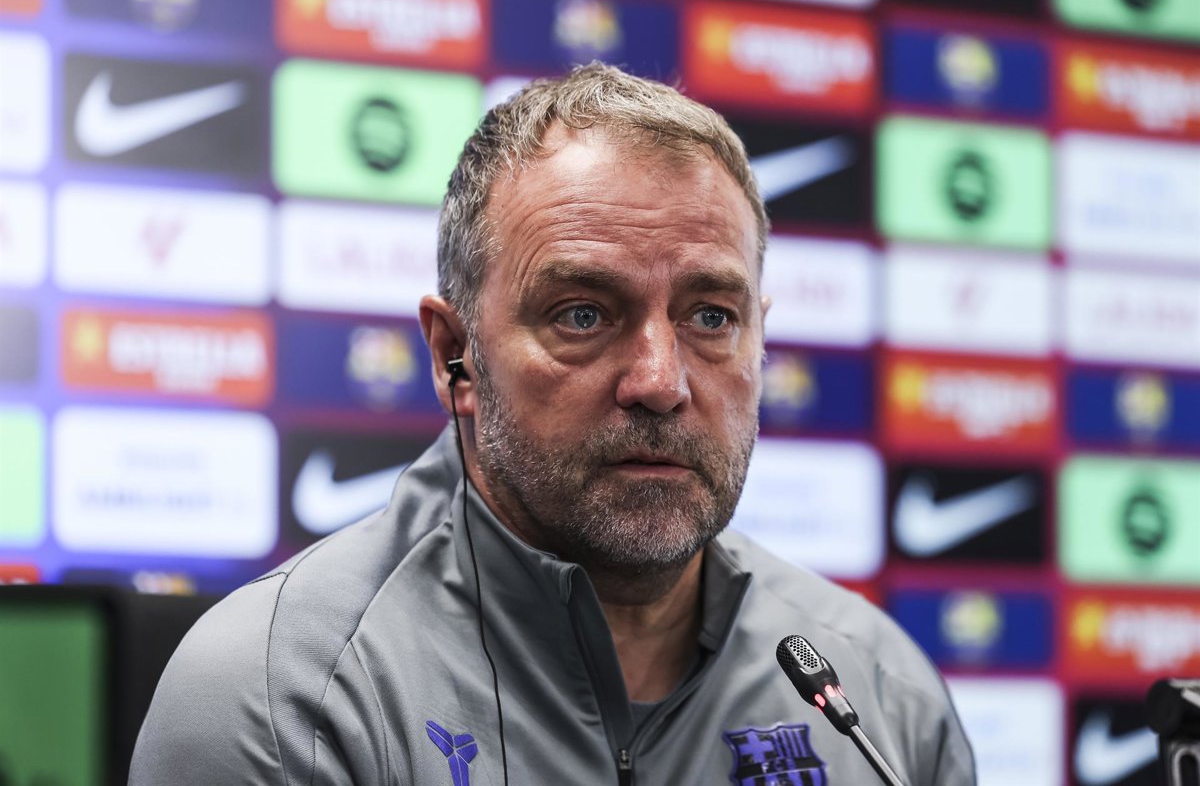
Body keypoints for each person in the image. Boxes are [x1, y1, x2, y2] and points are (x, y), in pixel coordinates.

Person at [130, 63, 975, 785]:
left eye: (711, 317)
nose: (660, 382)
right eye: (582, 314)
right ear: (456, 355)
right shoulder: (285, 696)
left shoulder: (876, 693)